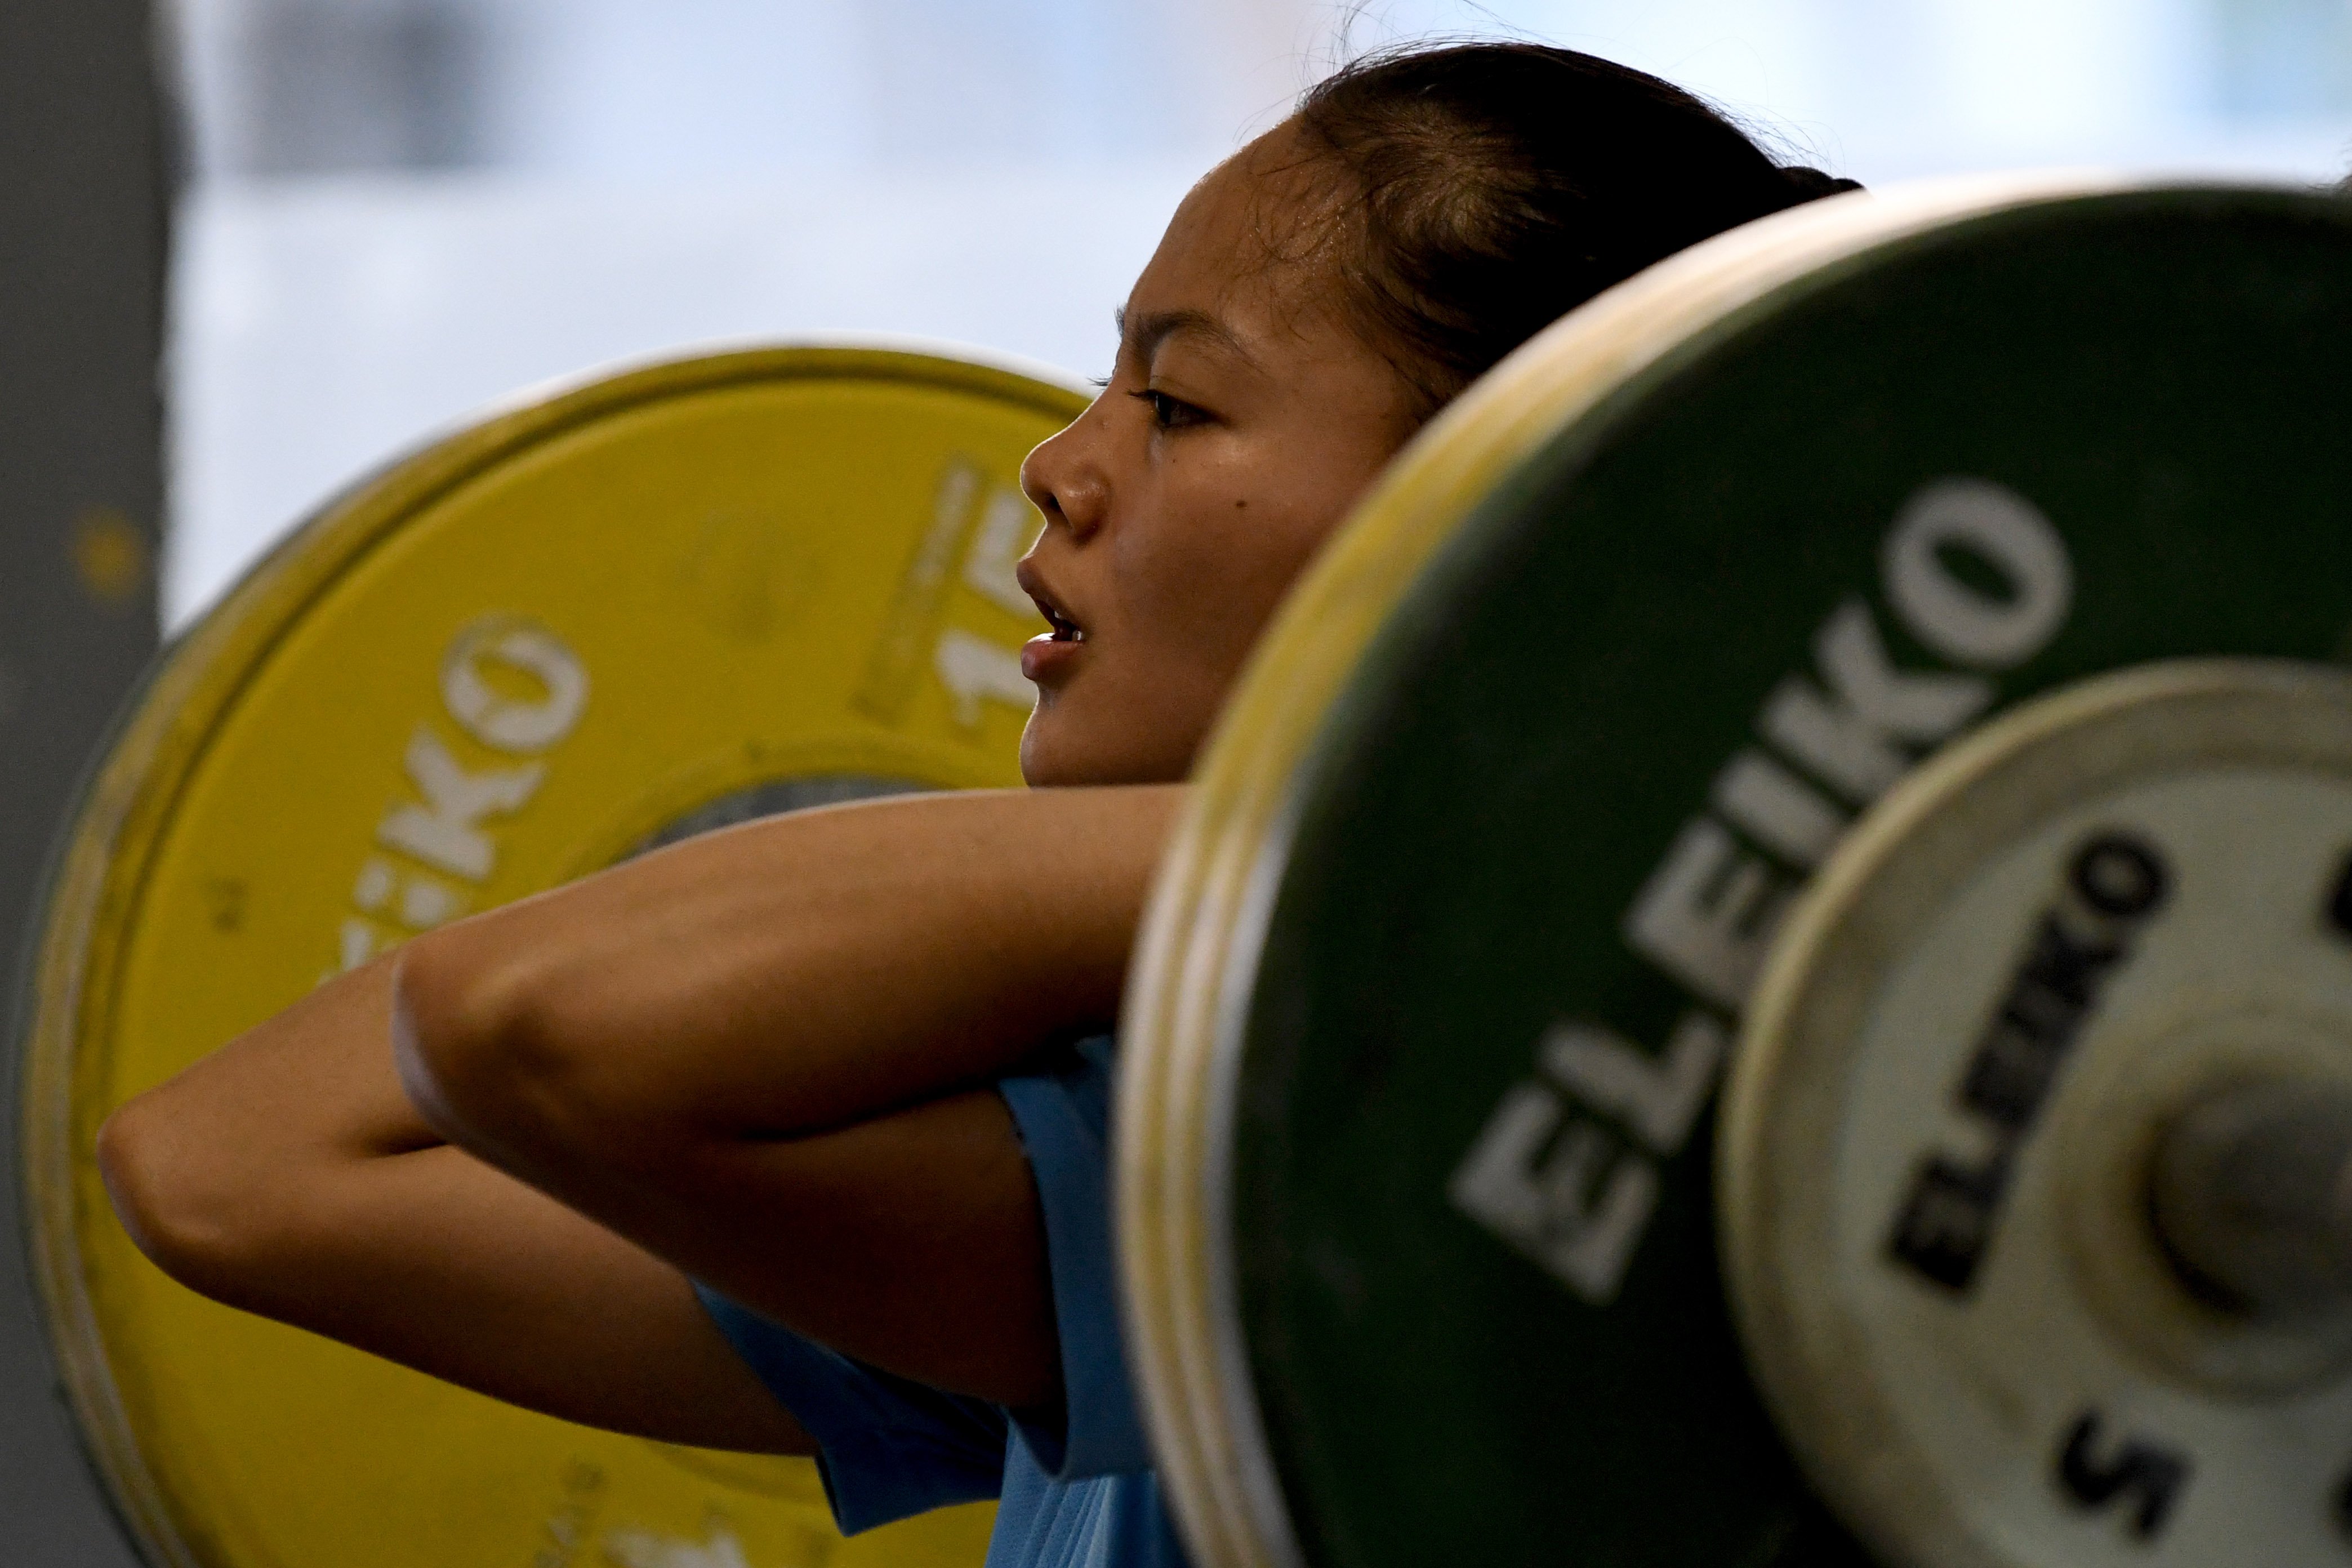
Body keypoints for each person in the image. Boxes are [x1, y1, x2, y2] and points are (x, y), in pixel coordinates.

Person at [96, 41, 1859, 1568]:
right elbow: (224, 1168)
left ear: (1504, 519)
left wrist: (1388, 811)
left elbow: (526, 1028)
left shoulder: (1377, 1188)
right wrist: (1375, 827)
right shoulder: (1113, 1153)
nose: (1059, 461)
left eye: (1175, 401)